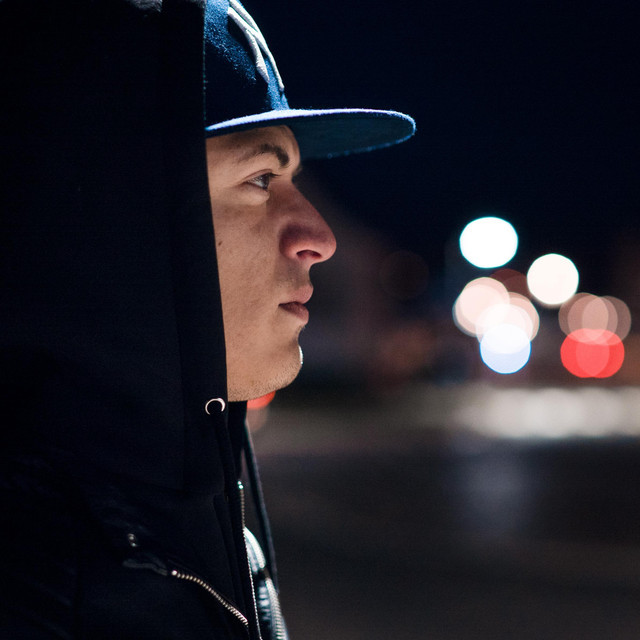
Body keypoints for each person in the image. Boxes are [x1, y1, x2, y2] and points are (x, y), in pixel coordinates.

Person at [0, 0, 414, 638]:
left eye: (294, 179)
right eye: (260, 178)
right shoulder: (45, 590)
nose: (319, 237)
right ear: (115, 216)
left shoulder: (185, 525)